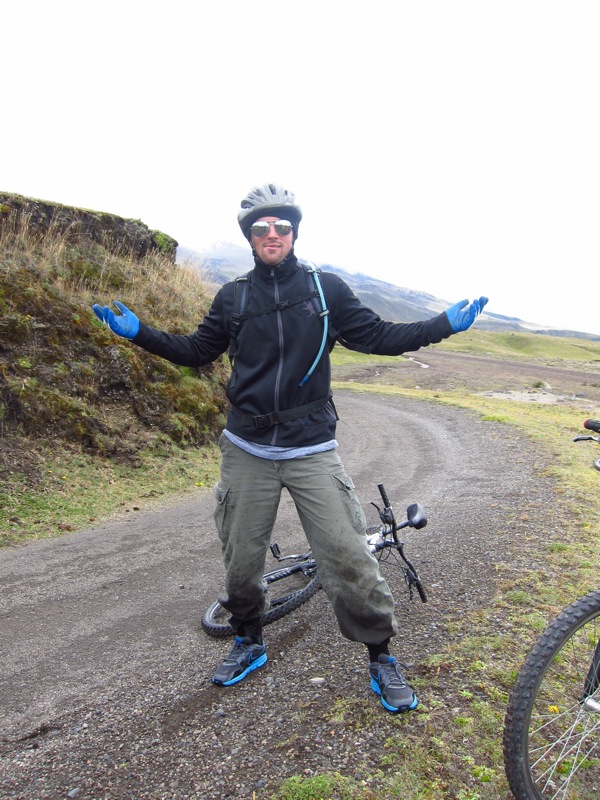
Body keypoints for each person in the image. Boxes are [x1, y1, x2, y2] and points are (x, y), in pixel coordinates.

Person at [93, 183, 488, 713]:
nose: (271, 234)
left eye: (281, 226)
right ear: (250, 238)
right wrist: (141, 332)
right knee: (240, 561)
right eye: (261, 228)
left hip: (311, 446)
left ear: (295, 232)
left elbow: (380, 337)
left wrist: (443, 325)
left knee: (348, 556)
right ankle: (249, 641)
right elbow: (196, 352)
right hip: (246, 445)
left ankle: (380, 656)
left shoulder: (326, 290)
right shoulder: (233, 296)